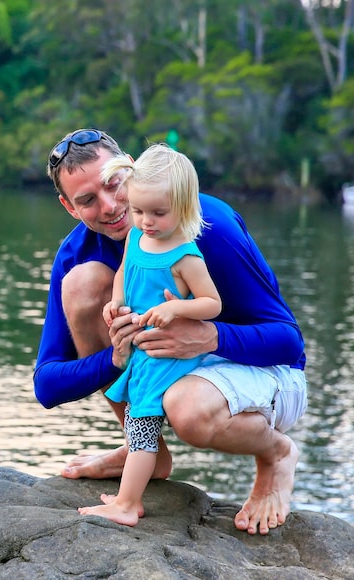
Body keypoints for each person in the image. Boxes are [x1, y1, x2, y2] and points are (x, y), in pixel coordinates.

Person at [34, 128, 307, 535]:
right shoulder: (78, 253)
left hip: (269, 377)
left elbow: (290, 343)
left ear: (130, 169)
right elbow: (47, 385)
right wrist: (114, 357)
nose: (110, 206)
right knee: (83, 283)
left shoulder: (206, 226)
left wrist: (209, 337)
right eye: (88, 200)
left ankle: (276, 454)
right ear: (69, 207)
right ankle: (144, 449)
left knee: (188, 409)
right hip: (162, 369)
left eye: (114, 184)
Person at [79, 143, 222, 526]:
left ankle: (127, 506)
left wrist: (176, 307)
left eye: (158, 213)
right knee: (134, 424)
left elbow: (211, 303)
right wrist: (116, 301)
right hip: (141, 350)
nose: (146, 221)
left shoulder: (185, 256)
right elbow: (125, 269)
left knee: (141, 426)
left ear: (185, 208)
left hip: (167, 355)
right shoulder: (137, 237)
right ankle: (130, 495)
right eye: (138, 210)